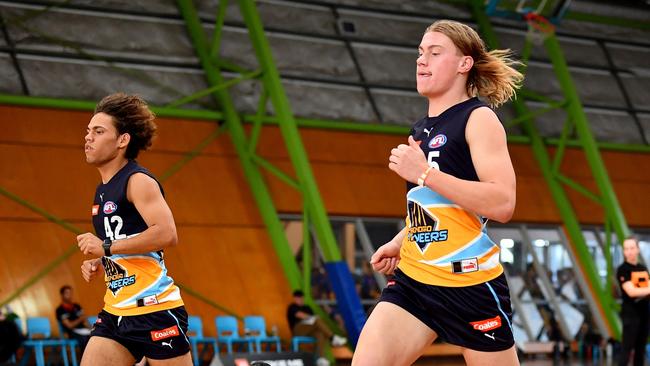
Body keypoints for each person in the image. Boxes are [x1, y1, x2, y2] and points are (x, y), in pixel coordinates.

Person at [352, 19, 522, 366]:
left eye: (434, 52)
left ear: (464, 64)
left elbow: (502, 203)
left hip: (469, 285)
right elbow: (438, 206)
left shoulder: (479, 119)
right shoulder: (421, 128)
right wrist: (402, 240)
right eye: (419, 52)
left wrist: (425, 173)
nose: (421, 60)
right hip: (415, 280)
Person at [76, 93, 191, 366]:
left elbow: (166, 233)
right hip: (116, 312)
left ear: (122, 141)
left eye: (99, 131)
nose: (88, 137)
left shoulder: (137, 180)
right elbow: (129, 243)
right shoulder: (103, 189)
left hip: (154, 310)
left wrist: (105, 247)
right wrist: (104, 260)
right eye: (88, 131)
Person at [287, 290, 347, 366]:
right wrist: (311, 318)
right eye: (298, 298)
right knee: (317, 320)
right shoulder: (292, 307)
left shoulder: (307, 307)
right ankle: (332, 337)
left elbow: (312, 319)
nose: (300, 299)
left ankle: (321, 358)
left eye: (301, 298)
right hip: (298, 330)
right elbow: (300, 315)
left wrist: (312, 319)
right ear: (295, 298)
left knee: (319, 333)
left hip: (310, 330)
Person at [616, 236, 650, 366]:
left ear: (637, 249)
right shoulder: (623, 270)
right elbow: (632, 292)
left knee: (640, 350)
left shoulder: (643, 268)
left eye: (632, 248)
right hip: (630, 315)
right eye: (626, 249)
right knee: (627, 348)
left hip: (644, 314)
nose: (629, 251)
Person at [56, 285, 92, 352]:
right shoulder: (60, 310)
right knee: (85, 340)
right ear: (62, 295)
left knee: (97, 337)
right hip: (72, 332)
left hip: (84, 330)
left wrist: (92, 329)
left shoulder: (77, 306)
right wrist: (81, 319)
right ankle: (86, 361)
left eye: (70, 293)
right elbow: (69, 325)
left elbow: (85, 321)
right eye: (67, 293)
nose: (69, 295)